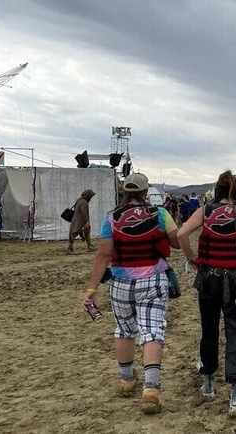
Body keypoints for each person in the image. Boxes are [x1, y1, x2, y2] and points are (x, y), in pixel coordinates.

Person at [81, 173, 179, 414]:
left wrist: (91, 289)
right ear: (146, 192)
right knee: (152, 330)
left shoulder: (111, 218)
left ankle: (126, 380)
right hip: (153, 279)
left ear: (124, 192)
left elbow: (103, 254)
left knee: (124, 329)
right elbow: (176, 242)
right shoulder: (160, 214)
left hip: (121, 282)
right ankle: (151, 388)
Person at [178, 170, 236, 418]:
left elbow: (182, 233)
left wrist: (191, 257)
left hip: (208, 278)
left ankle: (208, 382)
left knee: (209, 328)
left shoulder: (205, 212)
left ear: (217, 190)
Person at [67, 189, 96, 253]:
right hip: (80, 220)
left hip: (76, 219)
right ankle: (69, 248)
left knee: (85, 232)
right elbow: (84, 212)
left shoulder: (79, 200)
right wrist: (86, 222)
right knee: (74, 233)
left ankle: (89, 245)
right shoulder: (84, 202)